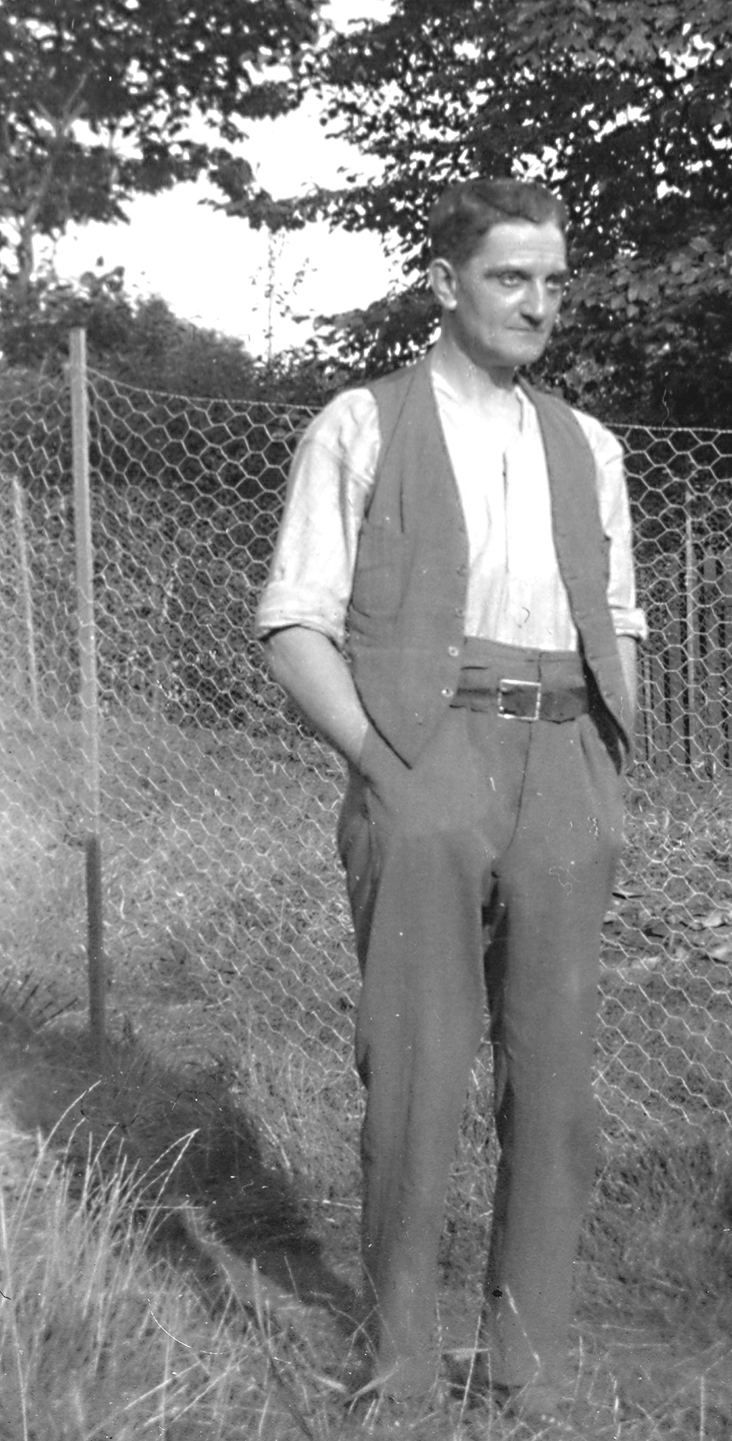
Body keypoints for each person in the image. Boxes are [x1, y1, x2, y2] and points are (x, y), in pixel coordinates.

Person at [255, 177, 646, 1421]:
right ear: (445, 283)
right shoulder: (362, 425)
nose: (537, 304)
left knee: (558, 1081)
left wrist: (604, 775)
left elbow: (618, 619)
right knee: (417, 1073)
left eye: (553, 282)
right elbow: (293, 622)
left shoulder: (588, 446)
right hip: (427, 758)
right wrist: (388, 769)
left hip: (564, 765)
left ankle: (529, 1370)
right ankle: (403, 1367)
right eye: (509, 277)